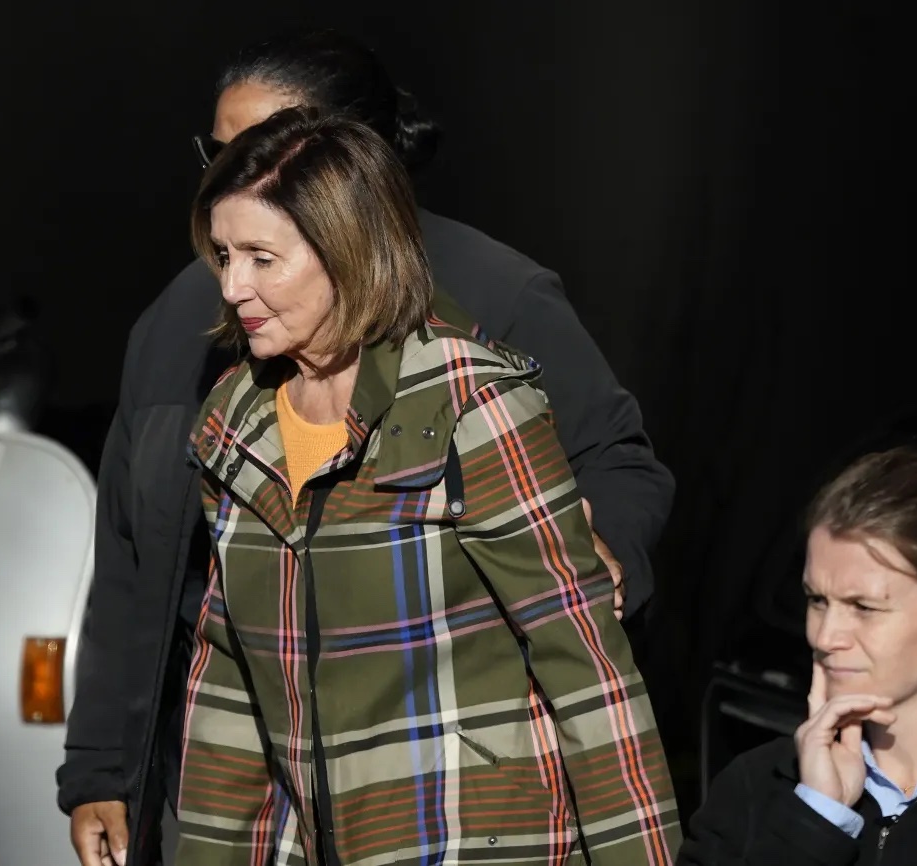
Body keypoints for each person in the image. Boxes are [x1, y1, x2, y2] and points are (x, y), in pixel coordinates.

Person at [57, 28, 675, 866]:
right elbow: (141, 572)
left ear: (346, 169)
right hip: (272, 798)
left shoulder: (486, 329)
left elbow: (591, 667)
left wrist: (594, 556)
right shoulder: (194, 349)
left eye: (269, 148)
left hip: (456, 809)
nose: (236, 178)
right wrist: (103, 764)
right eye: (221, 154)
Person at [195, 108, 679, 864]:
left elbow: (585, 662)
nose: (232, 286)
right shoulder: (236, 422)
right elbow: (228, 689)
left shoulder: (469, 402)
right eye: (224, 256)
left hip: (471, 838)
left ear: (346, 250)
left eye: (262, 257)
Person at [677, 447, 917, 865]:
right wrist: (814, 821)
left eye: (864, 607)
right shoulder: (753, 791)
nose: (826, 636)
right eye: (817, 600)